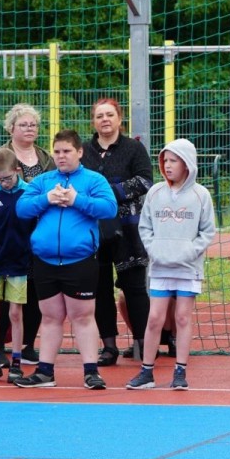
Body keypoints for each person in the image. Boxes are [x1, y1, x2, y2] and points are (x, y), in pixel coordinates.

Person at [13, 130, 118, 389]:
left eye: (67, 151)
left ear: (79, 152)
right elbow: (22, 209)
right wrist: (46, 199)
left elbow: (109, 208)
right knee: (50, 317)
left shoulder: (94, 180)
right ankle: (45, 372)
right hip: (45, 261)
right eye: (57, 152)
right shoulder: (43, 181)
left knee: (82, 317)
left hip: (79, 261)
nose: (61, 156)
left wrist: (76, 200)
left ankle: (91, 372)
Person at [126, 140, 217, 390]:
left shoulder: (201, 195)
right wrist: (155, 249)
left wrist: (190, 251)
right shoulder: (155, 192)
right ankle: (147, 371)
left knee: (182, 318)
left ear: (187, 164)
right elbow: (145, 226)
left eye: (173, 161)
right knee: (154, 318)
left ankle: (180, 371)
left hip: (188, 268)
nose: (167, 166)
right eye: (165, 161)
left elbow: (208, 231)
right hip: (161, 267)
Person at [0, 103, 53, 366]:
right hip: (2, 236)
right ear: (11, 128)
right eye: (24, 124)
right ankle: (0, 347)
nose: (29, 129)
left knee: (33, 291)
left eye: (33, 125)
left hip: (34, 236)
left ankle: (27, 344)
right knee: (2, 298)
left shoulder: (45, 158)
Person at [82, 97, 154, 366]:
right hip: (94, 230)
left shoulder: (134, 148)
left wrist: (108, 192)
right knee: (99, 289)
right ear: (94, 121)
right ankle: (108, 346)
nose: (105, 120)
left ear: (119, 119)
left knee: (134, 288)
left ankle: (144, 343)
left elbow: (145, 180)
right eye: (99, 115)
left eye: (110, 115)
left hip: (128, 229)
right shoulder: (84, 150)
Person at [0, 148, 36, 384]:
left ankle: (17, 363)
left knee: (15, 313)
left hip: (19, 263)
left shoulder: (28, 192)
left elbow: (33, 223)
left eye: (7, 178)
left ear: (17, 171)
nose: (3, 183)